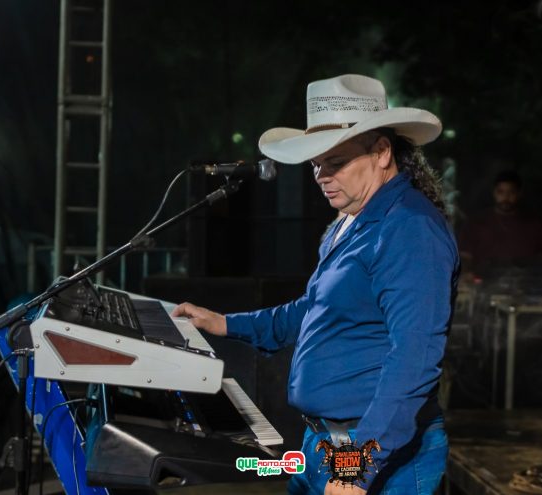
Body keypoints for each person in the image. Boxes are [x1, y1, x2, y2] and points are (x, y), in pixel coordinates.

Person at [172, 74, 460, 495]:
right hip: (323, 444)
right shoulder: (352, 220)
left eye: (336, 161)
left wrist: (358, 467)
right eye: (315, 163)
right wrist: (226, 324)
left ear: (382, 152)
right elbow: (314, 309)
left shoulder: (409, 230)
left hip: (371, 455)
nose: (321, 175)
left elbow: (413, 359)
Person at [458, 170, 542, 277]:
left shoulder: (535, 223)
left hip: (528, 283)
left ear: (519, 194)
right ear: (494, 193)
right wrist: (465, 274)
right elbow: (465, 257)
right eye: (501, 192)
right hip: (484, 283)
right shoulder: (476, 222)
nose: (506, 197)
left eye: (511, 192)